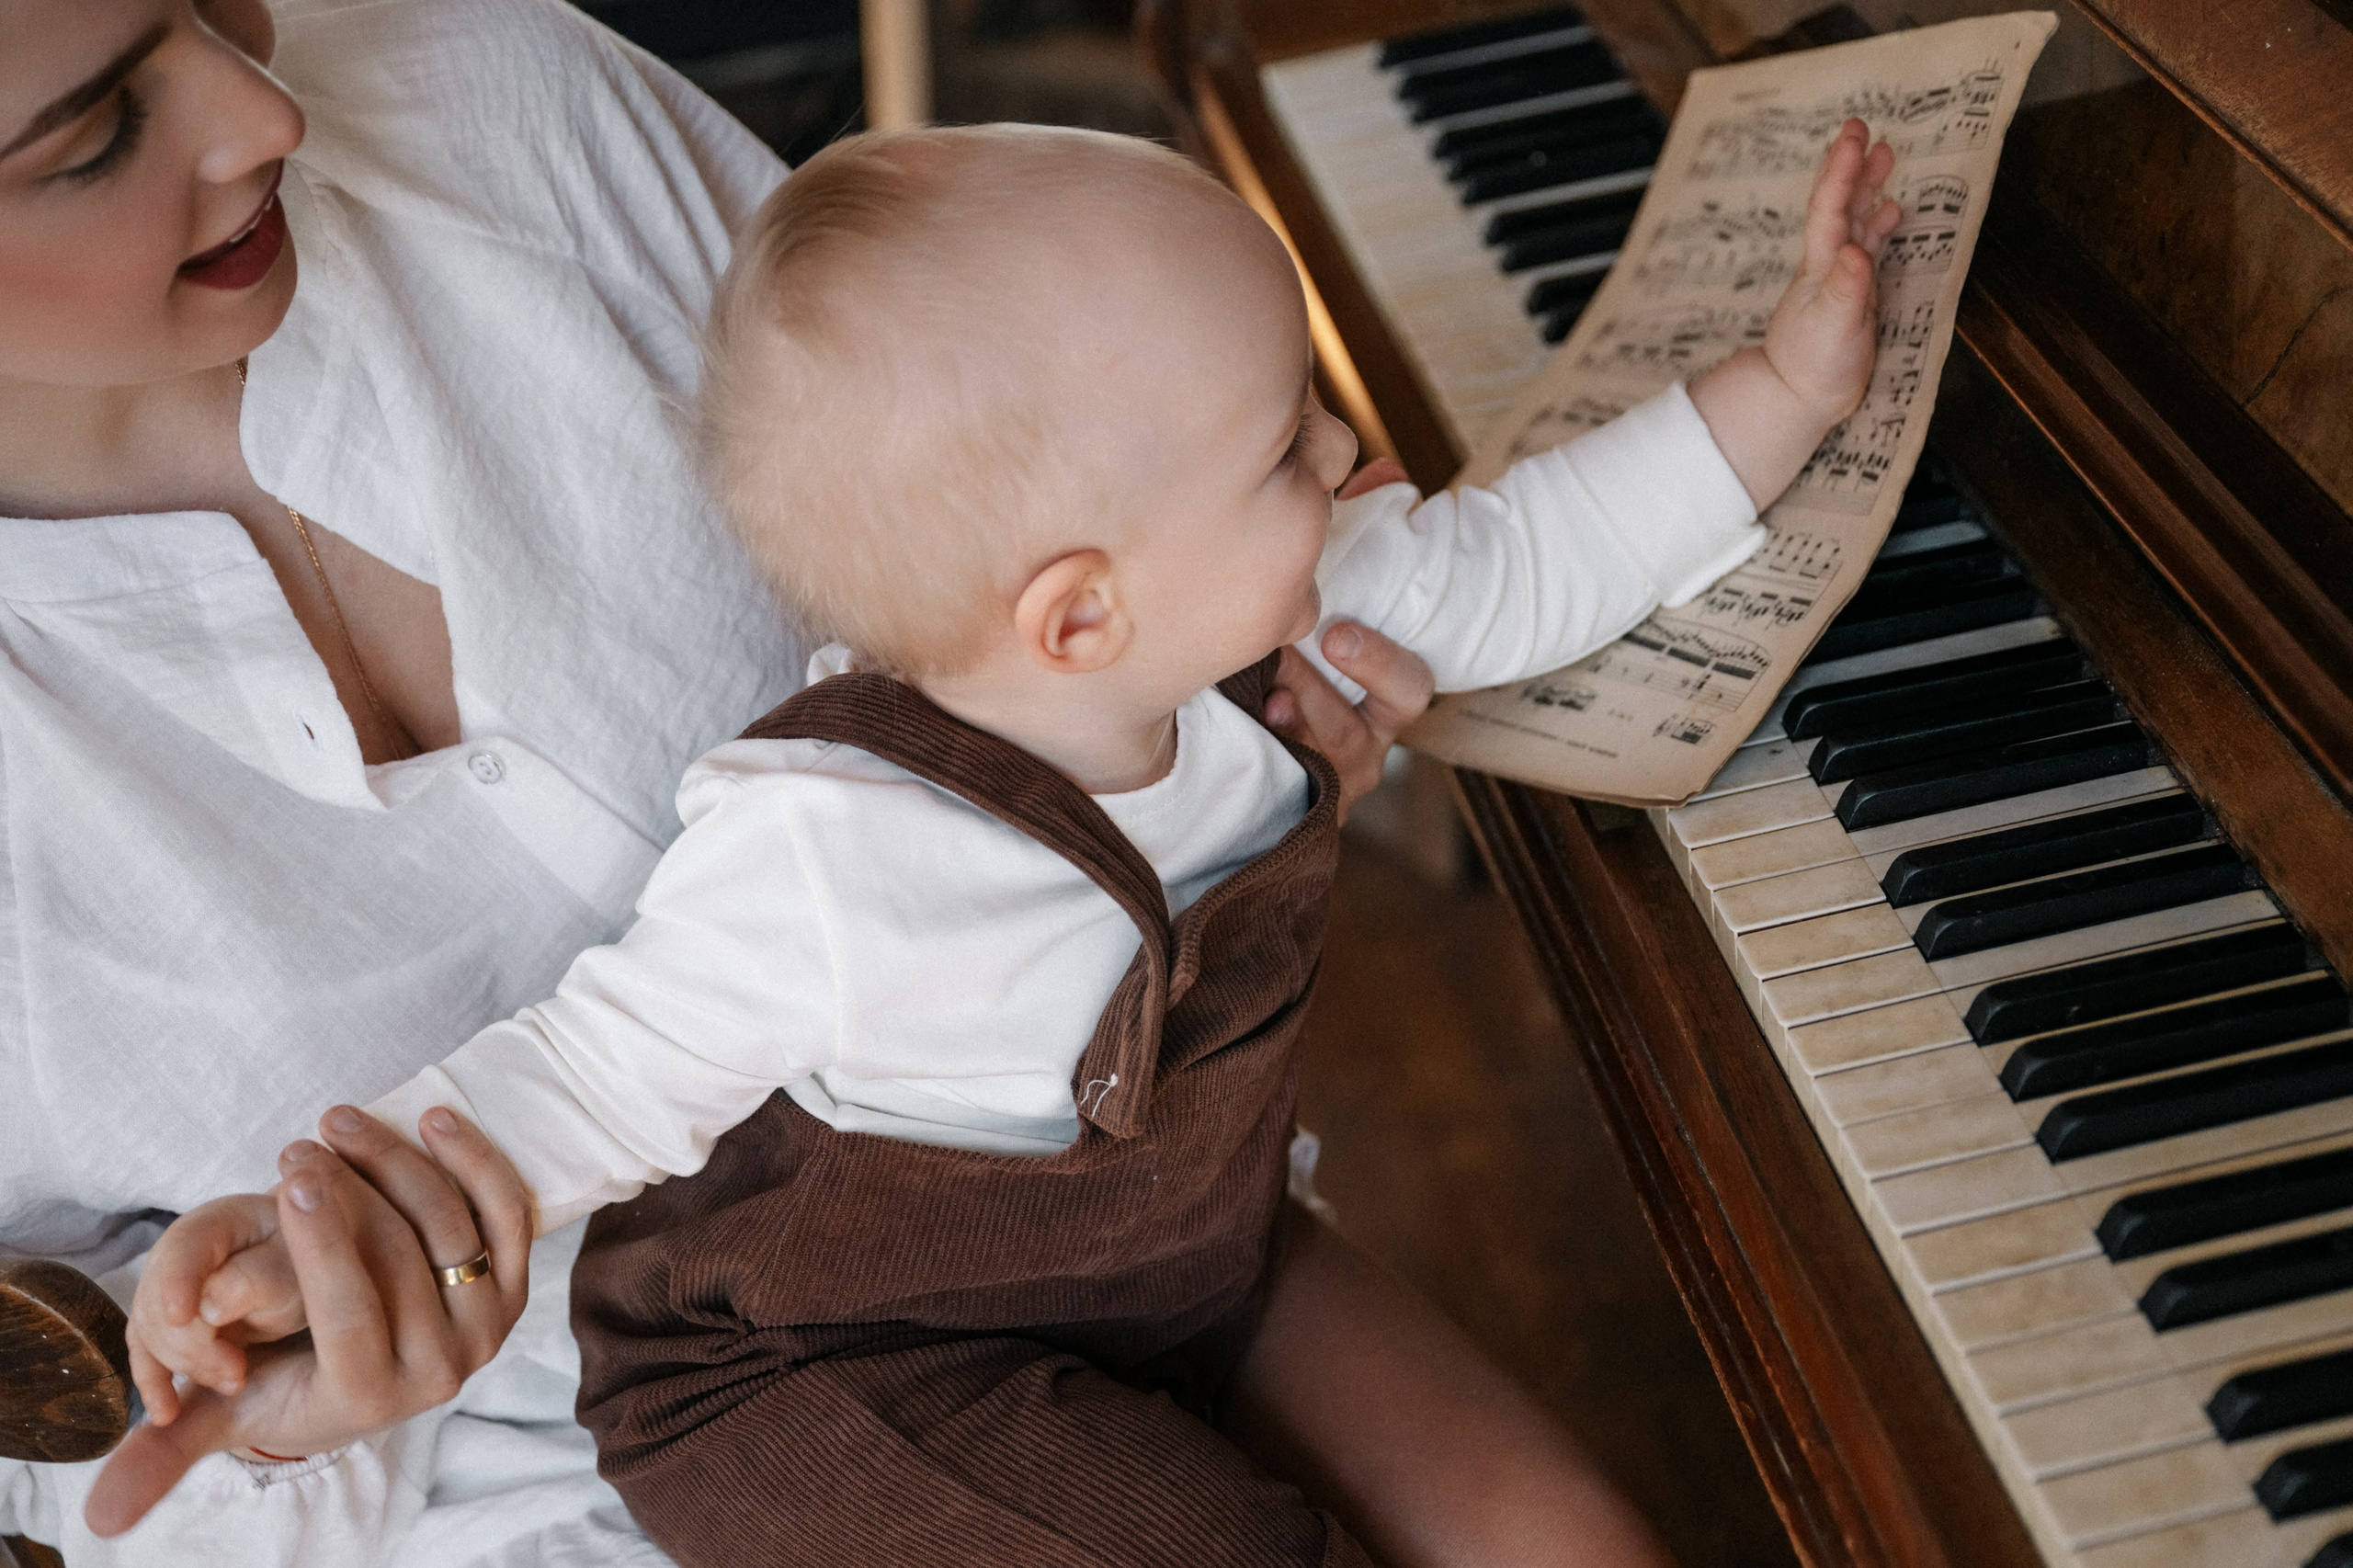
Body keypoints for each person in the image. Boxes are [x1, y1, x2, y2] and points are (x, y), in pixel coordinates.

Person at [134, 120, 1900, 1566]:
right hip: (838, 1369)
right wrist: (331, 1236)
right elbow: (575, 1078)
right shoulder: (826, 846)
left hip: (1171, 1252)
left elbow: (1532, 557)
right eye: (1288, 443)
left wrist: (1788, 382)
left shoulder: (1255, 613)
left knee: (1571, 1542)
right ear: (1076, 615)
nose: (1353, 455)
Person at [0, 4, 1439, 1564]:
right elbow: (58, 1424)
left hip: (1068, 1205)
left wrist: (1219, 723)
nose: (261, 111)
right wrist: (259, 1418)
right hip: (494, 1489)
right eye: (92, 135)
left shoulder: (498, 92)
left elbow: (1019, 555)